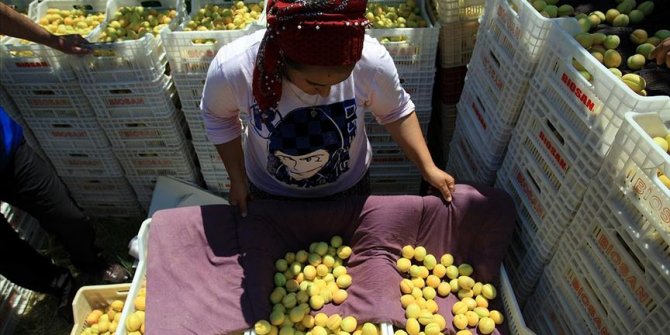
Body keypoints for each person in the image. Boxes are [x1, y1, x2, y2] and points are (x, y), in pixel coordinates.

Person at [202, 0, 455, 217]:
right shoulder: (235, 69)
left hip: (347, 188)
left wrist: (427, 167)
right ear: (282, 58)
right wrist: (237, 180)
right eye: (313, 84)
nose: (324, 94)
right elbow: (219, 119)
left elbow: (395, 111)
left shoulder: (372, 62)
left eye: (339, 81)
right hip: (270, 190)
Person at [0, 2, 128, 322]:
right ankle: (60, 285)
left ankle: (93, 264)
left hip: (5, 152)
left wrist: (54, 41)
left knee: (67, 215)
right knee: (6, 256)